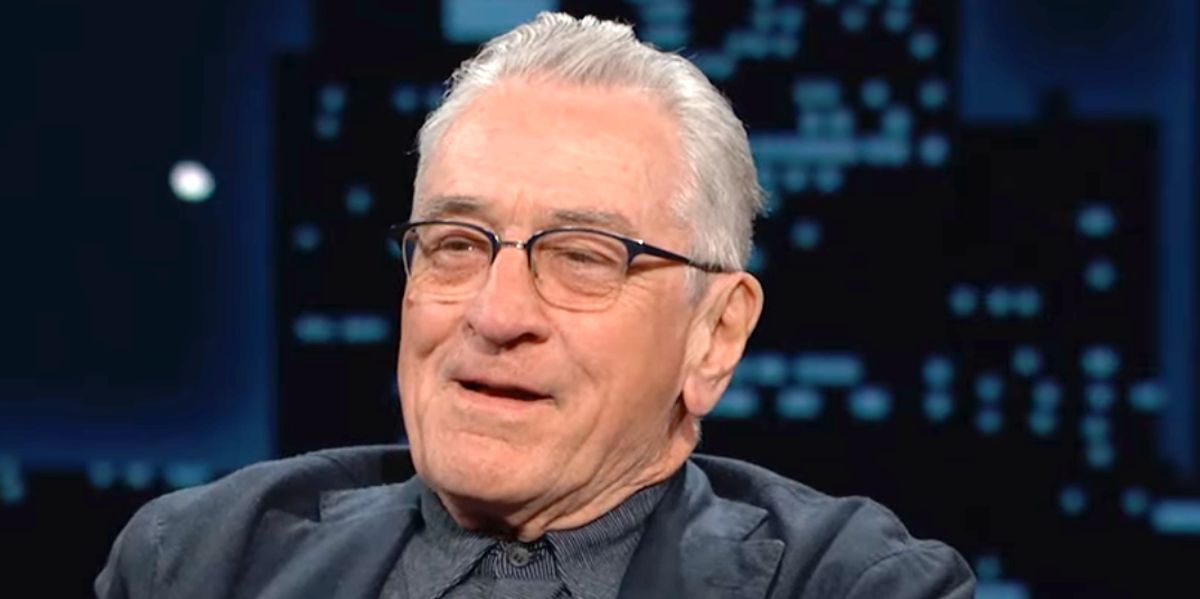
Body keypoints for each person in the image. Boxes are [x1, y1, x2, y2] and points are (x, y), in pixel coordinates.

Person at [97, 12, 974, 598]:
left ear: (715, 334)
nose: (495, 314)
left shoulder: (851, 584)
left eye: (583, 257)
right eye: (456, 244)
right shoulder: (204, 562)